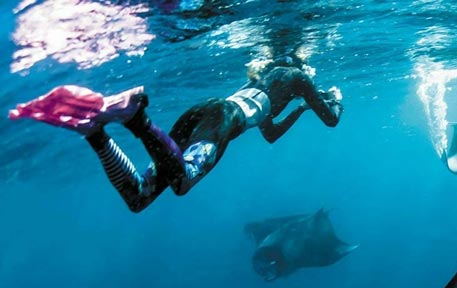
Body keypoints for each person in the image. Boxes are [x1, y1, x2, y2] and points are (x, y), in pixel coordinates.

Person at [8, 57, 343, 212]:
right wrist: (333, 100)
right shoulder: (299, 77)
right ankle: (136, 118)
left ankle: (94, 133)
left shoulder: (265, 78)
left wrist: (299, 110)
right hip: (224, 121)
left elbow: (269, 134)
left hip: (205, 110)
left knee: (140, 198)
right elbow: (331, 120)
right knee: (182, 182)